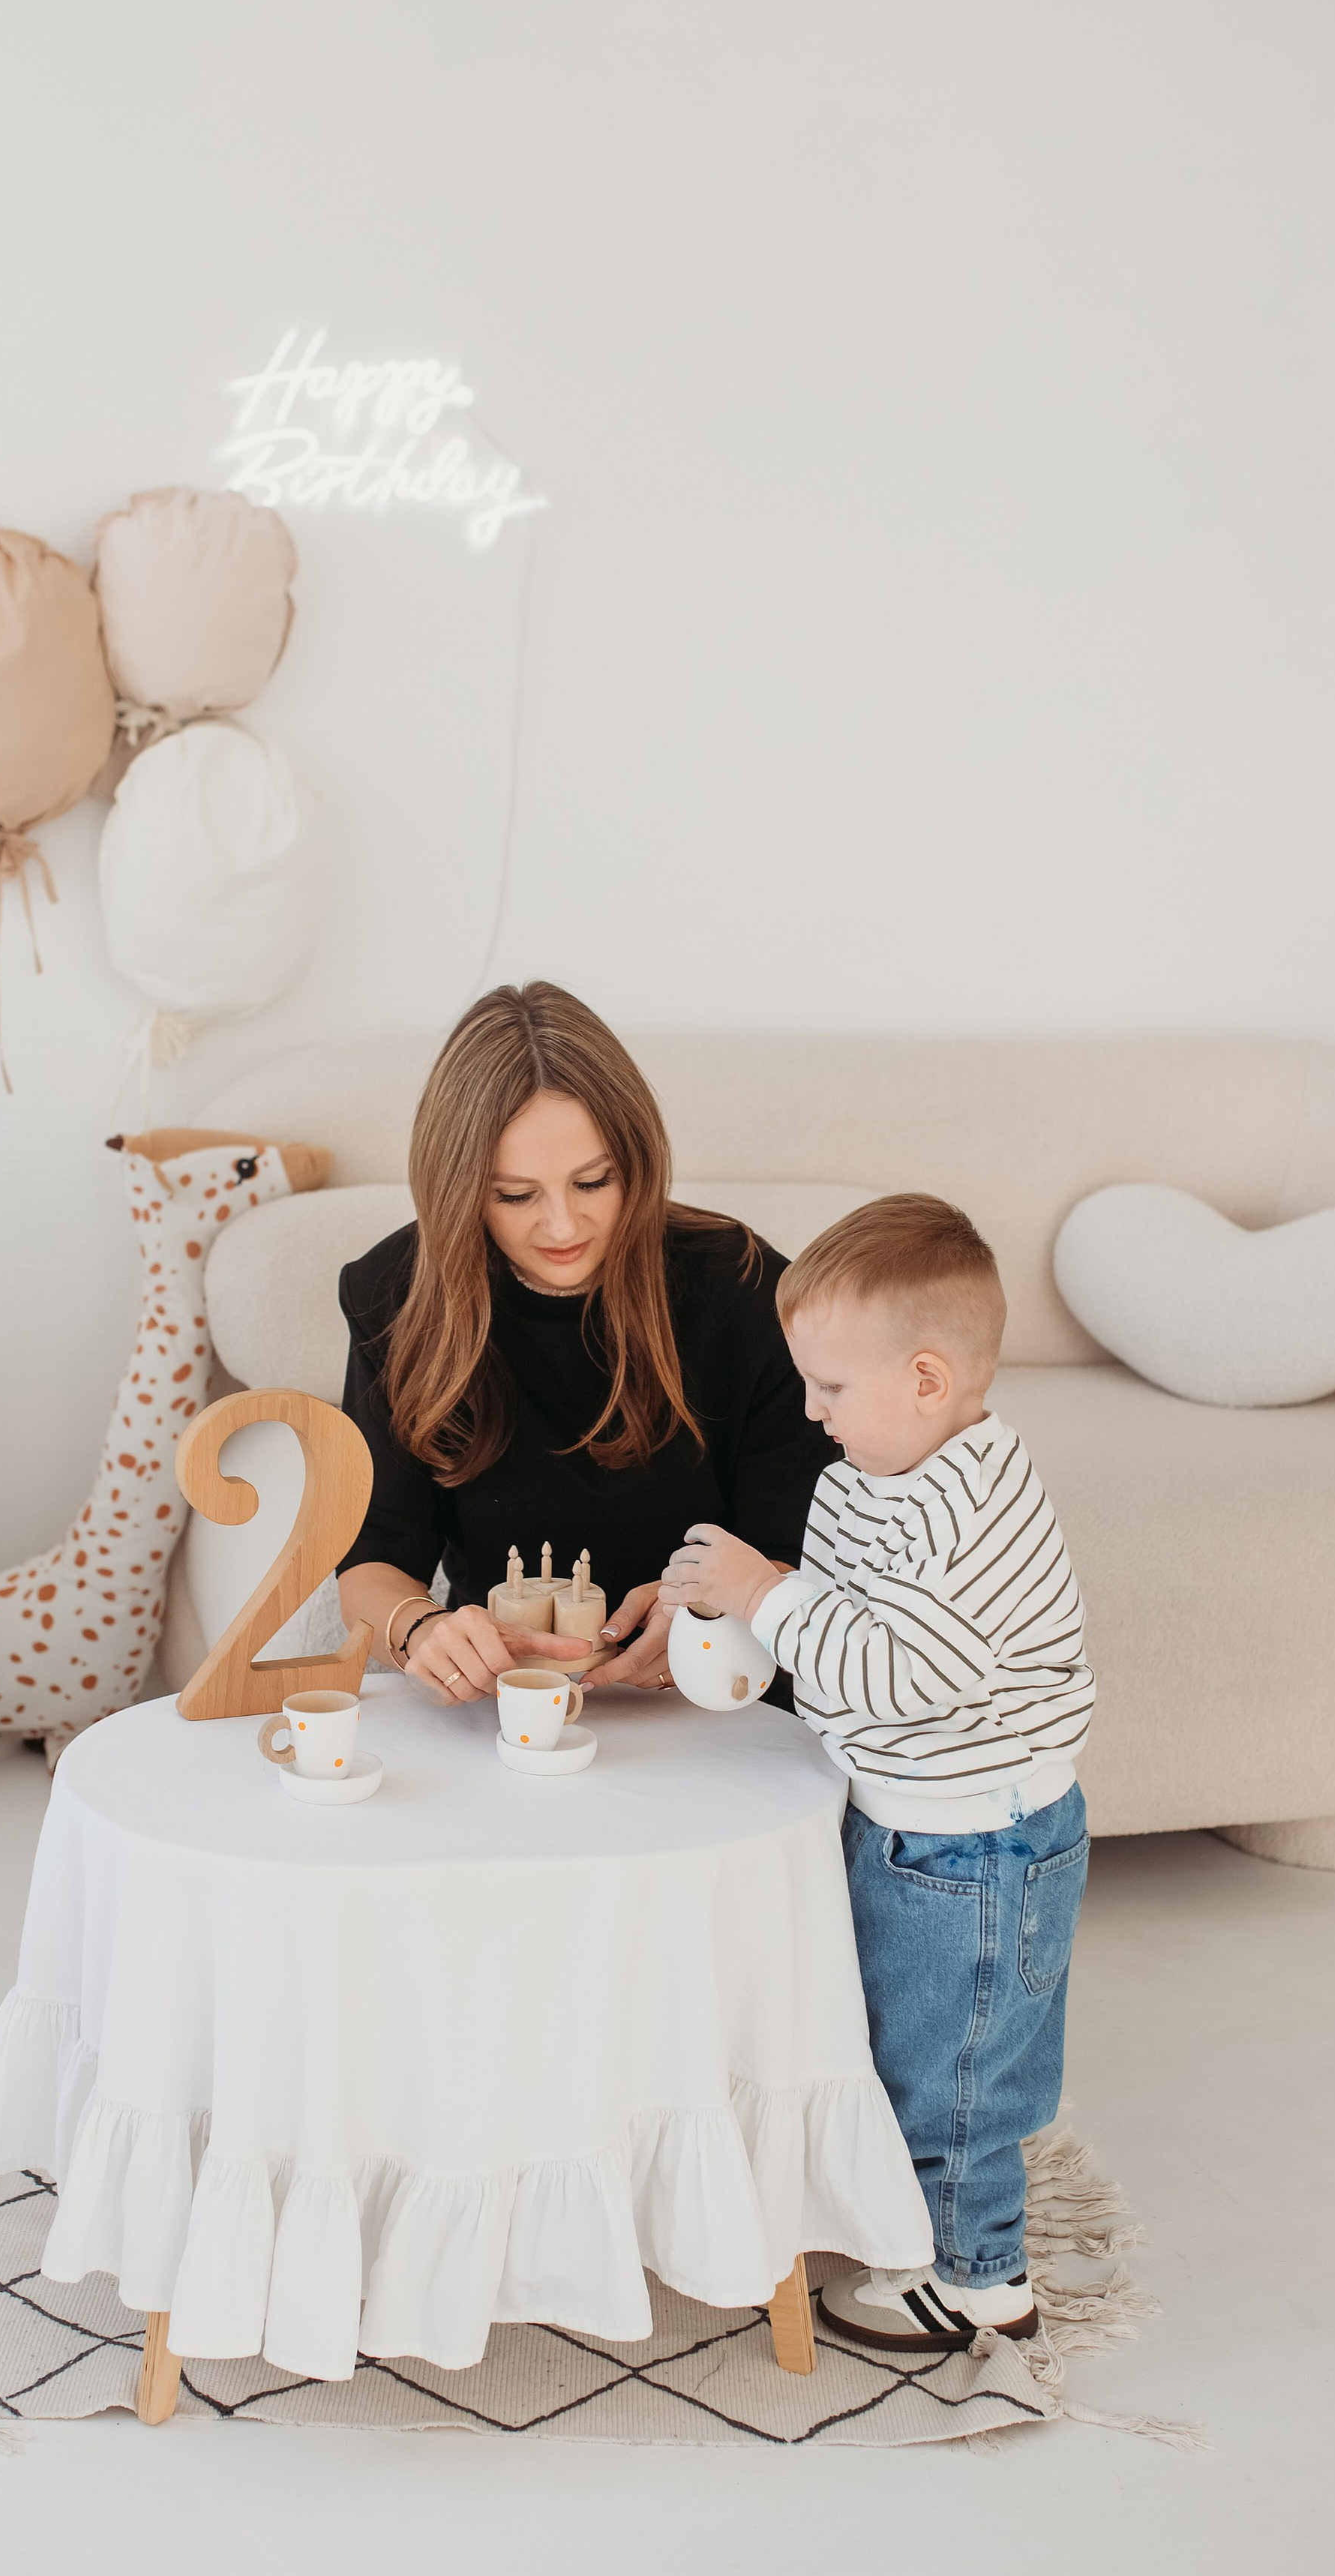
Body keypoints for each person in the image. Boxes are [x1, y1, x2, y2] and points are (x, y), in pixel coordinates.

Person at [658, 1194, 1096, 2347]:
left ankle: (978, 2276)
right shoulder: (882, 1465)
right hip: (913, 1812)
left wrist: (766, 1595)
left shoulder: (965, 1511)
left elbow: (902, 1672)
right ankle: (903, 2218)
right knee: (901, 2027)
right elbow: (842, 1607)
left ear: (929, 1381)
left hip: (976, 1839)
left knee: (955, 2063)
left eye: (832, 1391)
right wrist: (748, 1624)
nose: (812, 1412)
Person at [336, 980, 838, 1706]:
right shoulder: (393, 1292)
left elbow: (803, 1547)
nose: (564, 1228)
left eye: (593, 1182)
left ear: (636, 1163)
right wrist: (419, 1631)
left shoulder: (740, 1283)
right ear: (457, 1190)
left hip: (716, 1692)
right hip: (507, 1703)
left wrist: (705, 1614)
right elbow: (376, 1558)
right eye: (515, 1195)